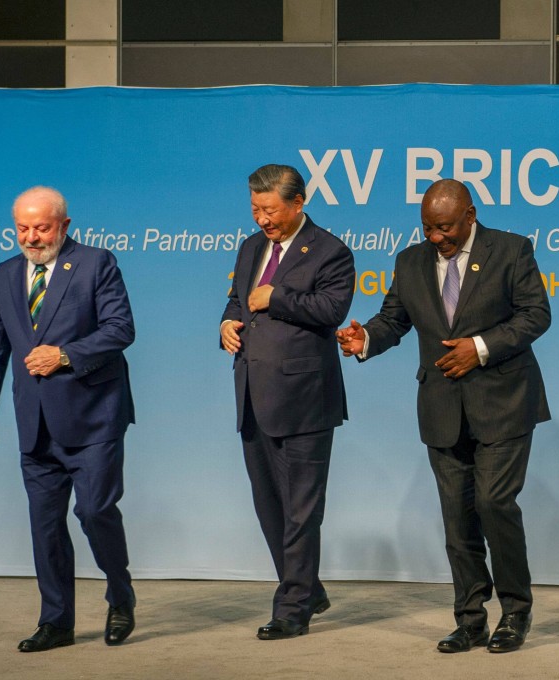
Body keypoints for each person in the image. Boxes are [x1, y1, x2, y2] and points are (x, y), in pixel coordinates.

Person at [336, 179, 550, 654]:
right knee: (457, 519)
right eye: (429, 228)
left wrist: (479, 348)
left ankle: (516, 612)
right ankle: (470, 619)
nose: (437, 237)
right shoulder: (410, 261)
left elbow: (536, 315)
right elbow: (394, 318)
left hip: (505, 404)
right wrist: (365, 340)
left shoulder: (511, 250)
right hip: (441, 410)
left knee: (495, 504)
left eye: (446, 227)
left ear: (470, 215)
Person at [0, 186, 137, 652]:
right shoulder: (5, 274)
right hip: (35, 423)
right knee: (45, 527)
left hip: (94, 418)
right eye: (23, 228)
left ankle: (120, 596)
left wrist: (64, 355)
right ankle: (56, 621)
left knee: (94, 511)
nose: (31, 236)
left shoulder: (96, 263)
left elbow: (121, 329)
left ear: (64, 225)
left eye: (41, 227)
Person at [220, 164, 355, 641]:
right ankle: (308, 588)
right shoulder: (251, 247)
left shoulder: (331, 251)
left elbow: (331, 310)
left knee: (301, 510)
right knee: (269, 507)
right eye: (256, 209)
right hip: (253, 397)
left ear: (298, 204)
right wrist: (227, 323)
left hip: (305, 400)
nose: (263, 220)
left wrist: (275, 296)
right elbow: (238, 300)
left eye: (270, 210)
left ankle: (292, 607)